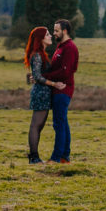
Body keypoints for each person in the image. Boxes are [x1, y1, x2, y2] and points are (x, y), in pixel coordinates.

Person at [24, 26, 63, 164]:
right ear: (40, 39)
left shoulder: (41, 54)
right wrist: (54, 84)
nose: (50, 36)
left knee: (39, 126)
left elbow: (35, 75)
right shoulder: (37, 55)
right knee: (36, 125)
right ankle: (34, 157)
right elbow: (37, 76)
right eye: (47, 34)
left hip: (44, 93)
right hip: (41, 93)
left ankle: (34, 156)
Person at [42, 19, 79, 164]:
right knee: (63, 123)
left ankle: (56, 158)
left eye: (56, 30)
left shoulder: (69, 48)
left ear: (64, 31)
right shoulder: (61, 47)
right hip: (57, 90)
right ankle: (64, 156)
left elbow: (65, 71)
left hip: (63, 90)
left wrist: (44, 77)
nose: (54, 33)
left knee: (58, 124)